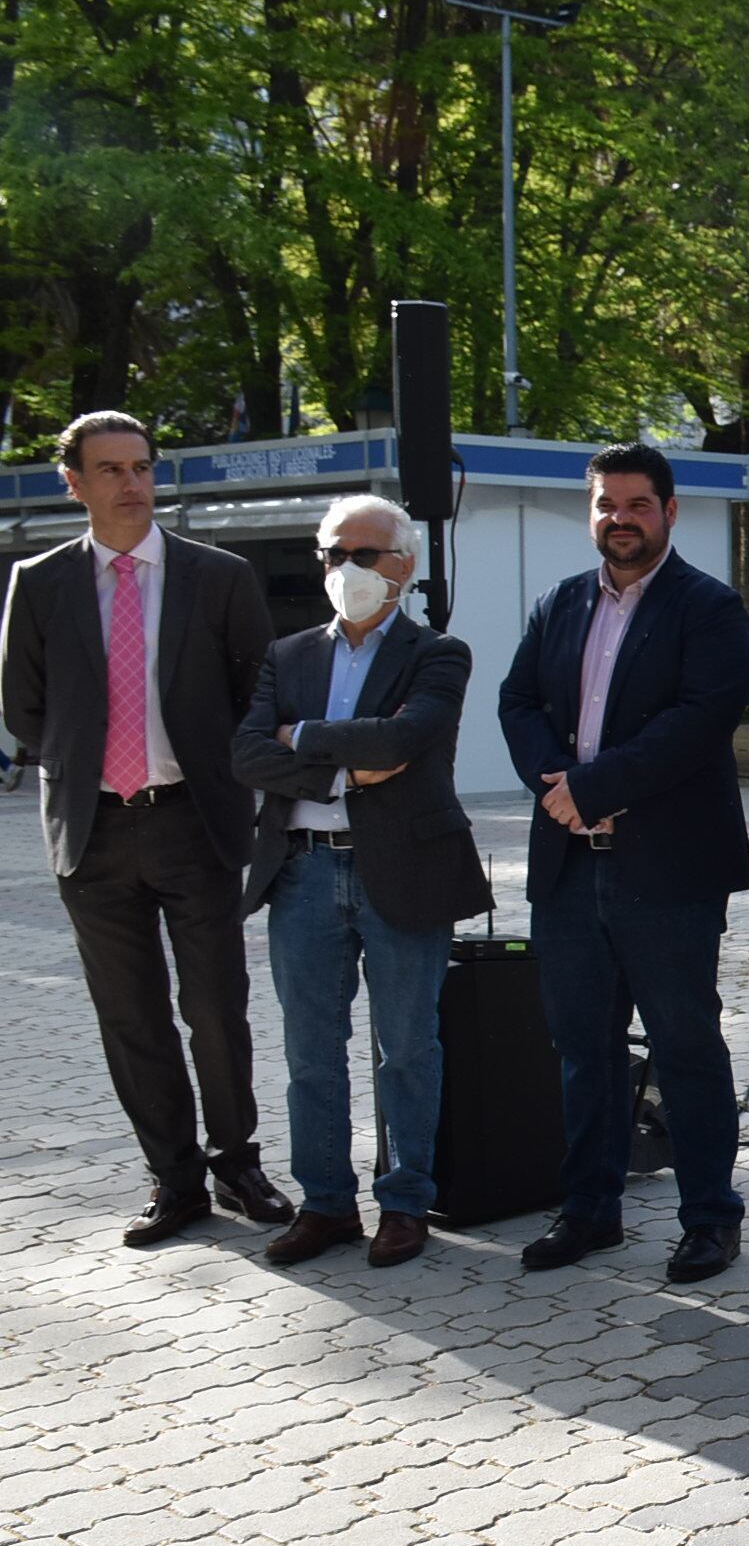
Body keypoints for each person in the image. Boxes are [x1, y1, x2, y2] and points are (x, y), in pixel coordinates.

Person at [0, 410, 291, 1246]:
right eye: (112, 470)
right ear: (75, 482)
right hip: (92, 832)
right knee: (131, 1017)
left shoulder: (219, 575)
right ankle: (175, 1181)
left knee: (215, 1007)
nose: (132, 484)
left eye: (142, 467)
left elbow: (256, 698)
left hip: (193, 823)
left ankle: (238, 1161)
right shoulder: (42, 582)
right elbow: (22, 706)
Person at [498, 442, 749, 1284]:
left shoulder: (709, 609)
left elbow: (697, 720)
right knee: (584, 1049)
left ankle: (711, 1218)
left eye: (637, 504)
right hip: (570, 866)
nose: (620, 519)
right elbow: (519, 701)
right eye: (606, 504)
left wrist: (595, 785)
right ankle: (590, 1209)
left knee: (685, 1045)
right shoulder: (560, 604)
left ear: (670, 512)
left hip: (668, 872)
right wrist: (558, 790)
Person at [233, 496, 495, 1270]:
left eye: (366, 554)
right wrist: (354, 758)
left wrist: (304, 738)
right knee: (312, 1052)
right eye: (334, 555)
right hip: (304, 868)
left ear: (405, 565)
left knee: (407, 1048)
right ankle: (325, 1206)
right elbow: (247, 753)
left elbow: (410, 737)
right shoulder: (287, 656)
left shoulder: (437, 652)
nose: (347, 569)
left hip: (404, 869)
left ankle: (406, 1201)